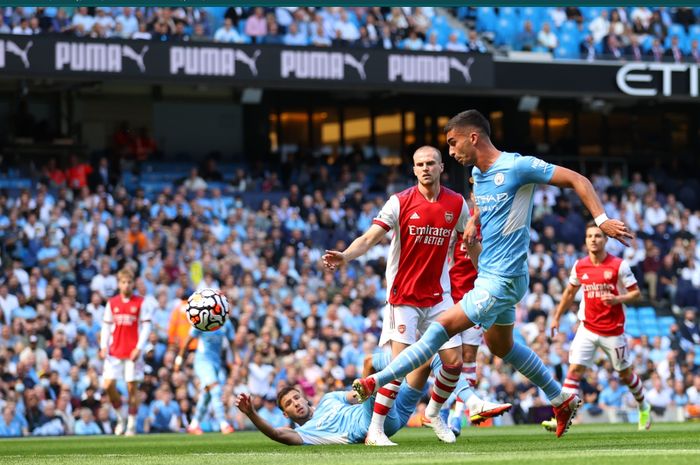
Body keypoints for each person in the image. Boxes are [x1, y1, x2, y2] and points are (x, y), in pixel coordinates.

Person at [351, 109, 633, 439]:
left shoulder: (517, 166)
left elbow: (578, 180)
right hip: (494, 276)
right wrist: (473, 221)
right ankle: (561, 398)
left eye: (453, 144)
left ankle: (375, 381)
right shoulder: (477, 175)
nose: (451, 152)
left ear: (473, 138)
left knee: (438, 330)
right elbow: (485, 204)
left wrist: (601, 220)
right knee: (501, 346)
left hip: (501, 279)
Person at [322, 146, 479, 445]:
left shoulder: (456, 203)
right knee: (401, 365)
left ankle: (433, 413)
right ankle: (375, 430)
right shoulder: (400, 202)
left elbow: (469, 243)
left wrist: (484, 273)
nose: (425, 168)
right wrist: (345, 256)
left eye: (431, 163)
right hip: (404, 296)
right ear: (413, 169)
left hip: (438, 296)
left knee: (454, 362)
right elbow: (369, 238)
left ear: (441, 167)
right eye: (420, 164)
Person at [542, 223, 650, 432]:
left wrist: (618, 298)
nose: (593, 239)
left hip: (613, 331)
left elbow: (636, 294)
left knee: (625, 375)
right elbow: (569, 293)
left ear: (605, 240)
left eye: (598, 236)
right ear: (585, 240)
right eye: (590, 236)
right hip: (587, 327)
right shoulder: (580, 265)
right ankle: (561, 418)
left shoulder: (619, 265)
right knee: (574, 370)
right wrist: (556, 317)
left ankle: (644, 406)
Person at [235, 353, 470, 445]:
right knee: (369, 363)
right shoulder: (305, 435)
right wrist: (251, 413)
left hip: (390, 414)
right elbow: (276, 434)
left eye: (296, 398)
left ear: (305, 399)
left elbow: (356, 395)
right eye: (289, 404)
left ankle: (440, 411)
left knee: (427, 361)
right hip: (371, 422)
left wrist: (363, 388)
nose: (295, 403)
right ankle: (400, 354)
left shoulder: (328, 399)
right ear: (286, 414)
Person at [99, 267, 153, 436]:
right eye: (123, 282)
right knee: (108, 385)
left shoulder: (141, 303)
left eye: (129, 282)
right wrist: (103, 346)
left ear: (133, 284)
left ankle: (131, 423)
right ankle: (121, 417)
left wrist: (139, 347)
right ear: (119, 283)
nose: (127, 285)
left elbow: (146, 326)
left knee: (131, 388)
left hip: (132, 353)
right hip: (114, 351)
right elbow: (106, 326)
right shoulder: (112, 303)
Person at [174, 318, 236, 435]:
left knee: (207, 394)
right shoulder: (202, 320)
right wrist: (179, 359)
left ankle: (194, 424)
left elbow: (232, 341)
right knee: (215, 389)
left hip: (216, 363)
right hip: (202, 361)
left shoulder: (226, 322)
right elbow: (188, 340)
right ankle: (223, 423)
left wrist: (236, 356)